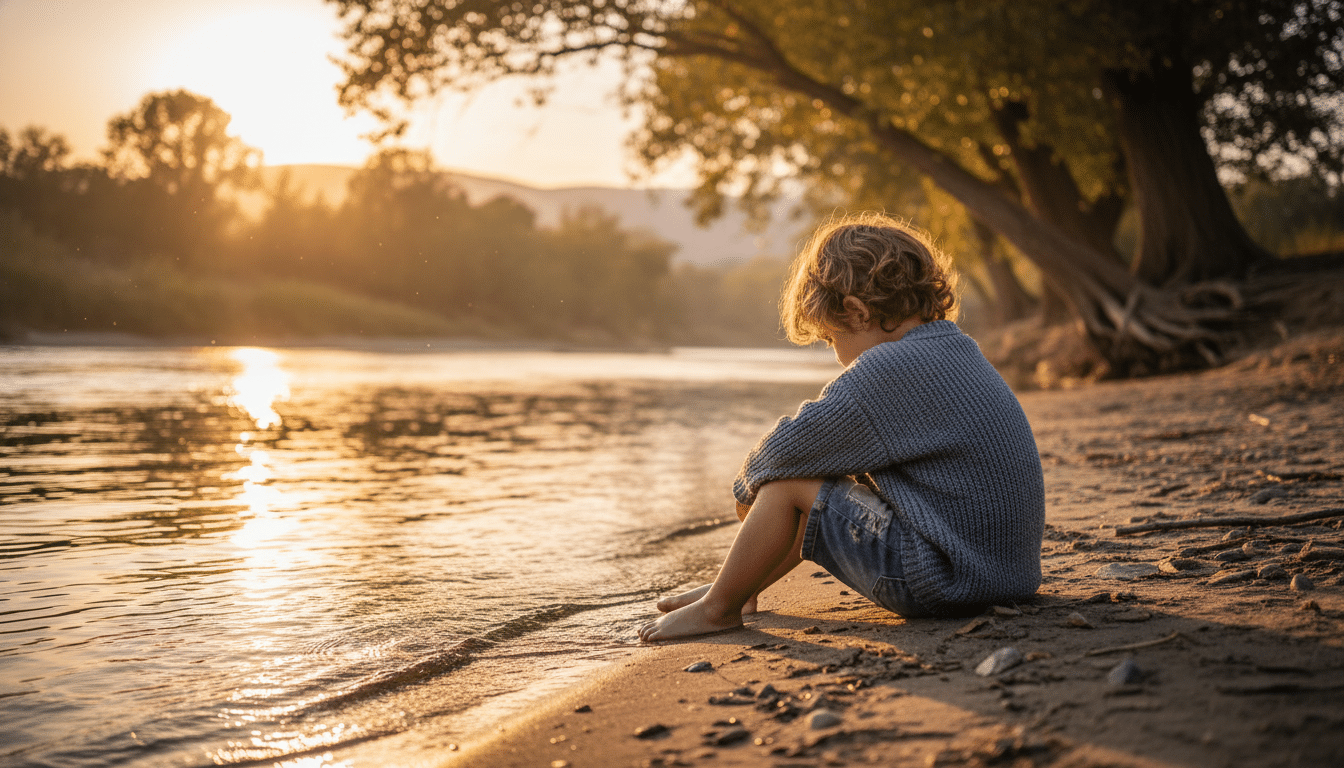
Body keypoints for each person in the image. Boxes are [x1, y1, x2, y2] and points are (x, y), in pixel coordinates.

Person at [639, 212, 1045, 642]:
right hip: (1004, 575)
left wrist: (746, 496)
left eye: (831, 339)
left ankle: (719, 609)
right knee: (822, 483)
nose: (837, 356)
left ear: (855, 312)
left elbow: (780, 455)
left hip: (943, 581)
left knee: (788, 487)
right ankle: (742, 587)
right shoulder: (955, 349)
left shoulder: (890, 369)